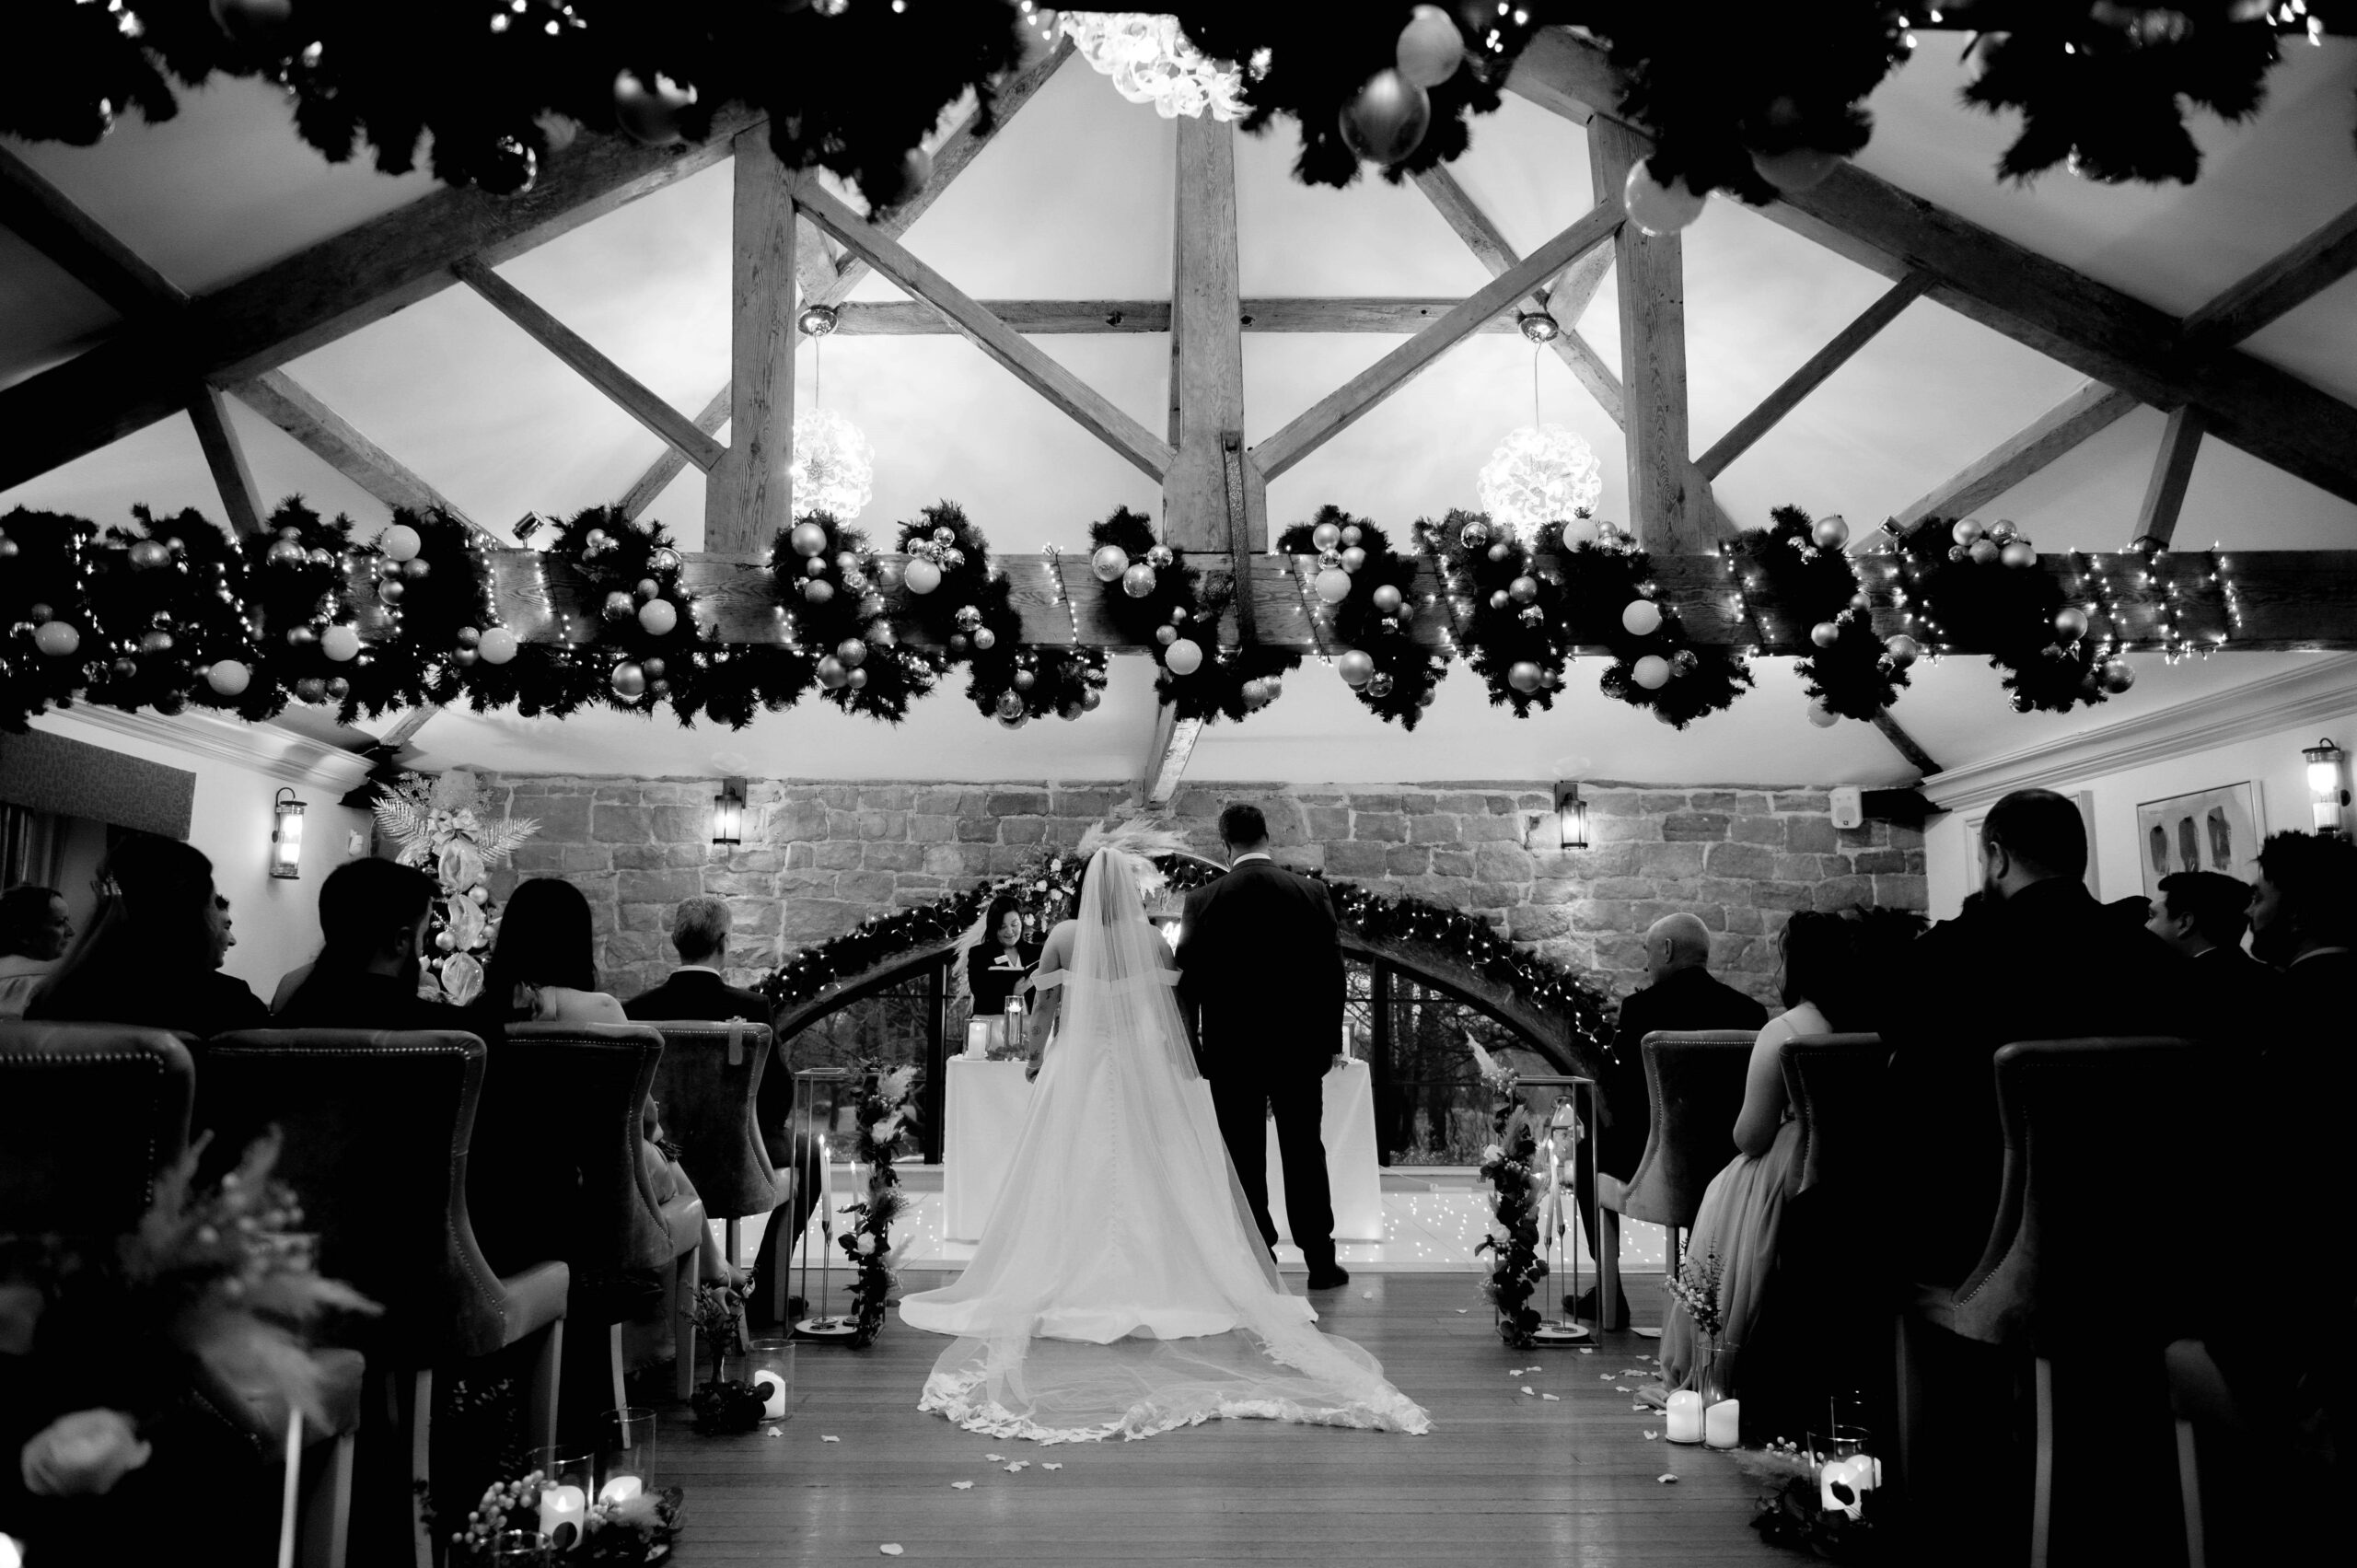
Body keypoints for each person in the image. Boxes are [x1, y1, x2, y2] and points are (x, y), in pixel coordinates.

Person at [898, 827, 1430, 1444]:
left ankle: (1074, 1267)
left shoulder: (1065, 937)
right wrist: (1183, 1058)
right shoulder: (1154, 938)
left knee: (1072, 1165)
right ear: (1128, 890)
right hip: (1149, 1064)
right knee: (1168, 1166)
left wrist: (1038, 1056)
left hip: (1082, 1068)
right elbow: (1178, 1007)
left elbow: (1042, 1013)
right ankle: (1258, 1263)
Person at [1881, 788, 2183, 1285]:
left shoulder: (1949, 959)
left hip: (1984, 1224)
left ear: (1996, 857)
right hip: (2146, 1222)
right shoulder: (2159, 960)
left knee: (1816, 1219)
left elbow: (1914, 1079)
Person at [1657, 911, 1917, 1407]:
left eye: (1780, 958)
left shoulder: (1785, 1031)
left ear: (1797, 965)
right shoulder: (1880, 1023)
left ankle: (1718, 1361)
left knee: (1724, 1191)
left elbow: (1750, 1136)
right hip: (1869, 1167)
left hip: (1796, 1170)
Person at [477, 877, 739, 1293]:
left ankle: (716, 1275)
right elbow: (639, 1112)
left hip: (508, 1180)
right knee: (660, 1158)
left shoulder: (479, 1015)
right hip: (603, 1179)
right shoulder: (599, 1011)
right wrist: (655, 1136)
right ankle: (717, 1278)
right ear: (577, 939)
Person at [1175, 803, 1350, 1291]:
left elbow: (1186, 982)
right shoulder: (1311, 893)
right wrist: (1329, 1042)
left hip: (1233, 1050)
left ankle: (1258, 1259)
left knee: (1243, 1154)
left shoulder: (1204, 900)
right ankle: (1320, 1260)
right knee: (1304, 1152)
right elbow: (1332, 976)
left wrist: (1193, 1045)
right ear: (1267, 837)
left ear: (1224, 843)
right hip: (1297, 1046)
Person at [622, 895, 811, 1328]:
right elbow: (777, 1093)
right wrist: (744, 1135)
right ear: (724, 942)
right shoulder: (751, 1008)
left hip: (659, 1168)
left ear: (675, 942)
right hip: (734, 1165)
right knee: (810, 1158)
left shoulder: (636, 1011)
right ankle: (764, 1293)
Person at [1575, 912, 1767, 1317]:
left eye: (1648, 952)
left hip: (1661, 1164)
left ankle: (1609, 1294)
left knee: (1586, 1149)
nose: (1646, 964)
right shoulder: (1750, 1012)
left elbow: (1629, 1099)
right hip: (1729, 1164)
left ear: (1666, 949)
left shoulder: (1641, 1010)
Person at [27, 835, 267, 1037]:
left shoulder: (55, 998)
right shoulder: (230, 1004)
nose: (229, 937)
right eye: (212, 907)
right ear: (194, 919)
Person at [274, 858, 483, 1034]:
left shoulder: (281, 1025)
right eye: (424, 935)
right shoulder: (459, 1032)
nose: (421, 949)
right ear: (401, 941)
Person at [2145, 868, 2276, 1041]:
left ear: (2184, 922)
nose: (2146, 926)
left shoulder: (2169, 989)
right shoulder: (2269, 978)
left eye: (2152, 916)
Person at [0, 885, 74, 1019]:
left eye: (67, 921)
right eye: (59, 923)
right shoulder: (45, 984)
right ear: (24, 934)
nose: (71, 932)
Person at [964, 895, 1039, 1019]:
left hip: (1031, 1026)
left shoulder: (1037, 953)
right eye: (1003, 927)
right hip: (992, 1024)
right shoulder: (979, 954)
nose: (1010, 932)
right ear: (994, 928)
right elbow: (981, 993)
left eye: (1014, 924)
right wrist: (1013, 992)